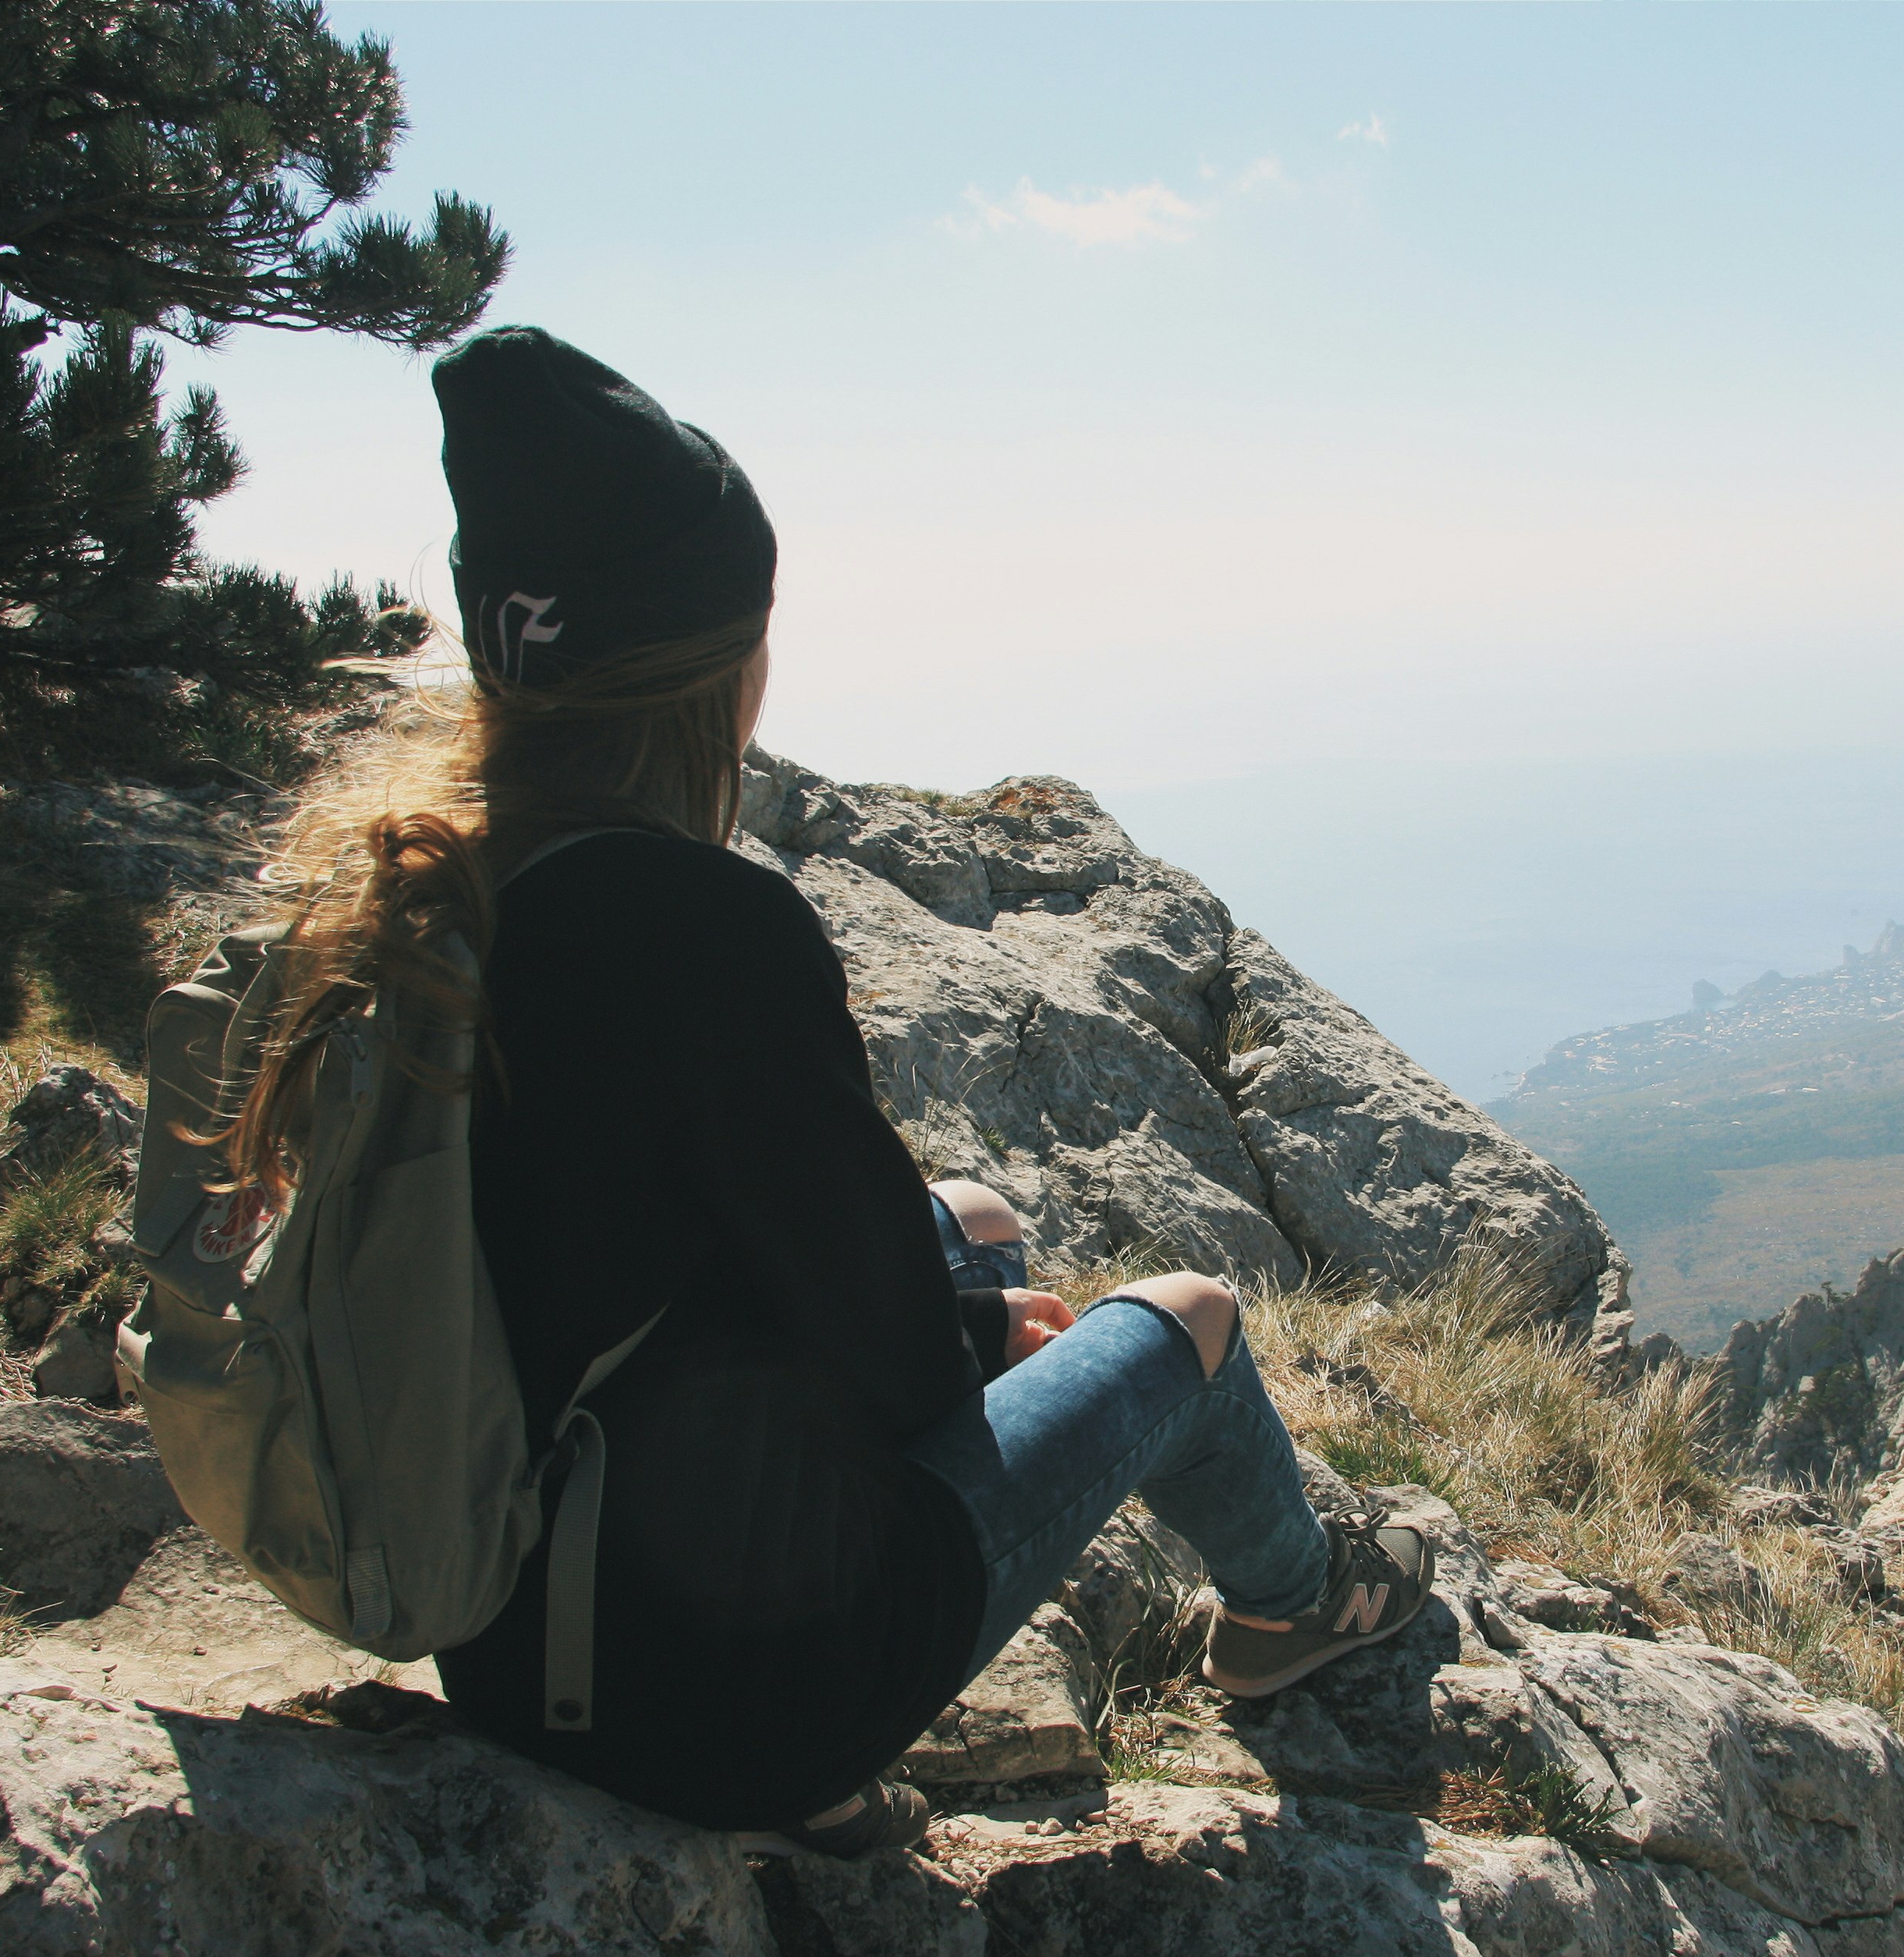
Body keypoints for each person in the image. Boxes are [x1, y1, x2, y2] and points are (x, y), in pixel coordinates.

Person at [219, 327, 1436, 1854]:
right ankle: (1295, 1608)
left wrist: (965, 1293)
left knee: (979, 1214)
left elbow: (593, 1259)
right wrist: (985, 1335)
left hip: (515, 1638)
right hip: (735, 1696)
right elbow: (892, 1356)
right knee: (1190, 1320)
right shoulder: (705, 934)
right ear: (711, 670)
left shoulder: (435, 897)